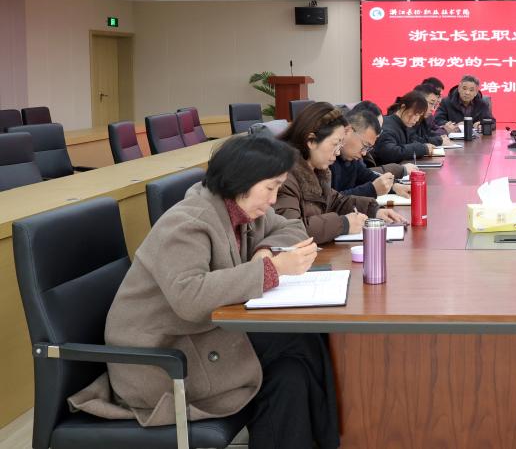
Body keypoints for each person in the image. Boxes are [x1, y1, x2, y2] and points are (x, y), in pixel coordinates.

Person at [68, 135, 340, 449]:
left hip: (200, 338)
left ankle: (335, 439)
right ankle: (338, 439)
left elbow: (291, 227)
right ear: (241, 180)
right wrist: (272, 270)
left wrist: (264, 251)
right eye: (270, 188)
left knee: (290, 373)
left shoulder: (241, 210)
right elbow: (190, 297)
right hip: (162, 360)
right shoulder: (187, 223)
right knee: (299, 341)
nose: (273, 199)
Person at [275, 102, 403, 243]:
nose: (337, 152)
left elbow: (336, 201)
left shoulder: (317, 171)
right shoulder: (282, 176)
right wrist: (344, 224)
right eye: (335, 144)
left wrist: (374, 211)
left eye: (340, 145)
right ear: (311, 141)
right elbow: (292, 229)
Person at [330, 109, 413, 199]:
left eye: (368, 148)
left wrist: (394, 186)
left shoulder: (352, 159)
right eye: (365, 145)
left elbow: (367, 176)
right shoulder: (326, 159)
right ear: (348, 131)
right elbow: (331, 201)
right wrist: (372, 189)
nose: (364, 153)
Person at [373, 91, 437, 164]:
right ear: (403, 107)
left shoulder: (404, 125)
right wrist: (422, 149)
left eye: (420, 115)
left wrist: (425, 147)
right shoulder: (387, 126)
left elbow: (413, 141)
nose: (417, 119)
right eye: (415, 114)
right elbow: (390, 153)